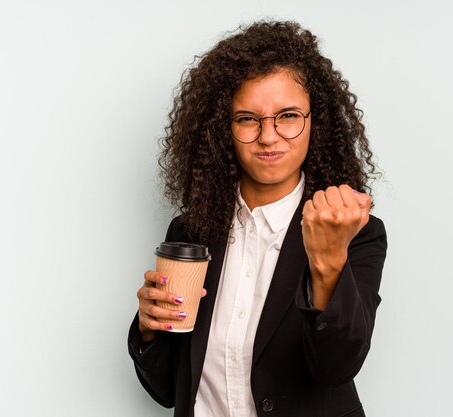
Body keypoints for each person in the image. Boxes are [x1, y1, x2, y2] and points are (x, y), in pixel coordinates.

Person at [127, 20, 387, 417]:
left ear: (314, 121)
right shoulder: (190, 231)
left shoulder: (356, 232)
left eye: (287, 116)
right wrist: (149, 329)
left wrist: (328, 260)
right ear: (221, 129)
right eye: (248, 118)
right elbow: (168, 390)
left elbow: (334, 367)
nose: (268, 136)